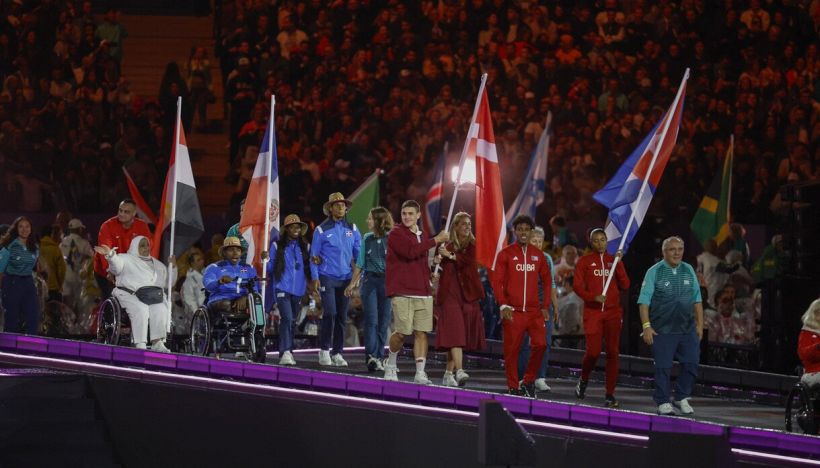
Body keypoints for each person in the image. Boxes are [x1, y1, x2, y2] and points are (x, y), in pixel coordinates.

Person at [384, 200, 449, 383]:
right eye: (404, 213)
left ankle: (420, 373)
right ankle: (390, 363)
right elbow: (410, 252)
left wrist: (431, 272)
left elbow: (420, 262)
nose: (407, 217)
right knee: (402, 333)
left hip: (423, 292)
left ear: (418, 215)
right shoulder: (396, 233)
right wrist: (435, 240)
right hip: (402, 291)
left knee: (421, 333)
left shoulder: (423, 235)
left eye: (411, 214)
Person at [638, 236, 704, 416]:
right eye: (672, 249)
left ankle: (681, 397)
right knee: (663, 367)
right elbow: (644, 302)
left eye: (680, 249)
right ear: (664, 252)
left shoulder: (688, 269)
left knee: (691, 364)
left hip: (687, 329)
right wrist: (646, 326)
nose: (677, 253)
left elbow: (697, 299)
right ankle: (662, 401)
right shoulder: (654, 272)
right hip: (662, 330)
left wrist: (700, 324)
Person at [492, 215, 552, 396]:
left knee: (541, 345)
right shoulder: (506, 254)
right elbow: (497, 281)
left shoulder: (538, 255)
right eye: (520, 229)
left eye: (527, 229)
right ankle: (512, 385)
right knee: (511, 351)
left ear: (531, 231)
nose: (523, 233)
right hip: (513, 311)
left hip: (534, 312)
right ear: (515, 231)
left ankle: (528, 380)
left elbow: (547, 281)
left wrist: (545, 306)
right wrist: (503, 305)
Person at [573, 228, 631, 408]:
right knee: (593, 352)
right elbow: (577, 286)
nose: (600, 243)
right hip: (593, 313)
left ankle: (610, 394)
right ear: (591, 242)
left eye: (603, 240)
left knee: (613, 352)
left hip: (613, 312)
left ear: (607, 241)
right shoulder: (584, 262)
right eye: (596, 240)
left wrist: (618, 264)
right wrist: (593, 297)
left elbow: (626, 284)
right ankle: (583, 379)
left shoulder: (613, 261)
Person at [94, 236, 174, 352]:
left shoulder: (158, 265)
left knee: (160, 308)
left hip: (151, 296)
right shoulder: (125, 258)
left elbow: (168, 283)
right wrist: (111, 255)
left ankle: (157, 342)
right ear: (135, 246)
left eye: (147, 245)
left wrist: (173, 267)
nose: (146, 248)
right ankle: (140, 343)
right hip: (129, 294)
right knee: (141, 309)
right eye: (142, 245)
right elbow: (116, 267)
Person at [433, 212, 486, 387]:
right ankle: (460, 371)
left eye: (469, 224)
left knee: (459, 335)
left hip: (467, 295)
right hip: (449, 293)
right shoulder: (444, 245)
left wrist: (450, 256)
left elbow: (468, 262)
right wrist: (436, 261)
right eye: (463, 224)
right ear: (455, 226)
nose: (467, 226)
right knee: (455, 332)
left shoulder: (473, 245)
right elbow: (436, 268)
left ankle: (448, 373)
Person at [310, 193, 362, 367]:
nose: (340, 207)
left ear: (346, 208)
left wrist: (357, 277)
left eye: (343, 204)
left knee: (341, 316)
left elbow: (359, 255)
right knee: (330, 313)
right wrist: (315, 277)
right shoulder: (321, 230)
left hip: (346, 278)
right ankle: (324, 349)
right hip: (327, 277)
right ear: (330, 208)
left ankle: (338, 352)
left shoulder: (353, 229)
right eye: (336, 205)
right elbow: (314, 256)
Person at [345, 206, 394, 372]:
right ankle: (371, 357)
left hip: (387, 283)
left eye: (370, 218)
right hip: (370, 282)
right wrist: (352, 284)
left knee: (383, 322)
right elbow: (360, 263)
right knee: (372, 321)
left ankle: (379, 357)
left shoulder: (392, 239)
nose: (367, 221)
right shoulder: (366, 238)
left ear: (380, 221)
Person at [516, 226, 558, 392]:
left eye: (540, 241)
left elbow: (552, 284)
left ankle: (540, 377)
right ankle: (524, 378)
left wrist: (555, 305)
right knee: (524, 344)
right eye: (534, 241)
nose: (538, 244)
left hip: (544, 308)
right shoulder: (520, 256)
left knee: (544, 343)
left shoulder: (547, 259)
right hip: (525, 308)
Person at [268, 214, 310, 366]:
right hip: (281, 288)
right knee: (287, 318)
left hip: (298, 291)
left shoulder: (305, 247)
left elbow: (309, 268)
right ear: (286, 229)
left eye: (298, 226)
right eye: (292, 227)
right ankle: (285, 351)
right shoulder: (276, 246)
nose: (296, 229)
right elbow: (270, 268)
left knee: (292, 321)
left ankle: (288, 352)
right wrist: (264, 259)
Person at [94, 199, 152, 299]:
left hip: (130, 271)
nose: (121, 214)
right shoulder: (107, 226)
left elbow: (146, 249)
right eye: (120, 210)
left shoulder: (142, 226)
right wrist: (108, 270)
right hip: (106, 270)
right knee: (110, 299)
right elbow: (104, 250)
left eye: (126, 212)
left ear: (134, 213)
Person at [0, 217, 40, 334]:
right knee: (12, 318)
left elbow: (35, 266)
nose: (24, 229)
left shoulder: (35, 247)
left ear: (31, 229)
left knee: (33, 315)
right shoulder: (10, 246)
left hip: (28, 283)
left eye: (27, 226)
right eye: (21, 226)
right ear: (16, 229)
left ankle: (31, 346)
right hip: (12, 282)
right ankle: (9, 348)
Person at [202, 237, 260, 313]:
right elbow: (208, 285)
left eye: (238, 250)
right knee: (227, 304)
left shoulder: (249, 268)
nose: (235, 253)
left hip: (243, 298)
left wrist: (245, 297)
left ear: (241, 253)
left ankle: (258, 325)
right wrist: (219, 282)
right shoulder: (214, 267)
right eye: (231, 250)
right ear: (224, 253)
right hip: (220, 299)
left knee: (257, 303)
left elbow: (255, 289)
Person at [59, 218, 94, 311]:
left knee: (66, 304)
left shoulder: (62, 242)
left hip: (65, 276)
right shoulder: (84, 243)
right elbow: (93, 258)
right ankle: (77, 324)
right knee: (79, 304)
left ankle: (67, 323)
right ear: (79, 229)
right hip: (78, 276)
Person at [179, 251, 206, 334]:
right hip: (200, 315)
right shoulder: (190, 280)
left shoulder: (206, 274)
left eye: (202, 259)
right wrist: (197, 313)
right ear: (192, 263)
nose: (202, 261)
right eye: (198, 260)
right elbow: (189, 299)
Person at [39, 224, 66, 303]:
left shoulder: (36, 247)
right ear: (52, 234)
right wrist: (59, 284)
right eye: (59, 235)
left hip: (39, 288)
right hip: (53, 288)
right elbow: (62, 270)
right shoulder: (55, 249)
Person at [798, 299, 820, 387]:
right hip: (813, 372)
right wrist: (818, 346)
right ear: (816, 314)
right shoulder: (807, 332)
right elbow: (803, 354)